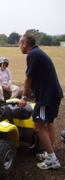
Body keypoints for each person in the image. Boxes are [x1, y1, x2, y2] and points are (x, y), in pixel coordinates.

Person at [18, 33, 63, 170]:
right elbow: (36, 79)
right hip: (54, 94)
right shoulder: (38, 53)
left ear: (25, 44)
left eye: (19, 44)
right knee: (48, 125)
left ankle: (52, 160)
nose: (19, 47)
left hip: (46, 98)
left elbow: (28, 78)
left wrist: (24, 97)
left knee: (38, 127)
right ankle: (50, 153)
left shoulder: (32, 55)